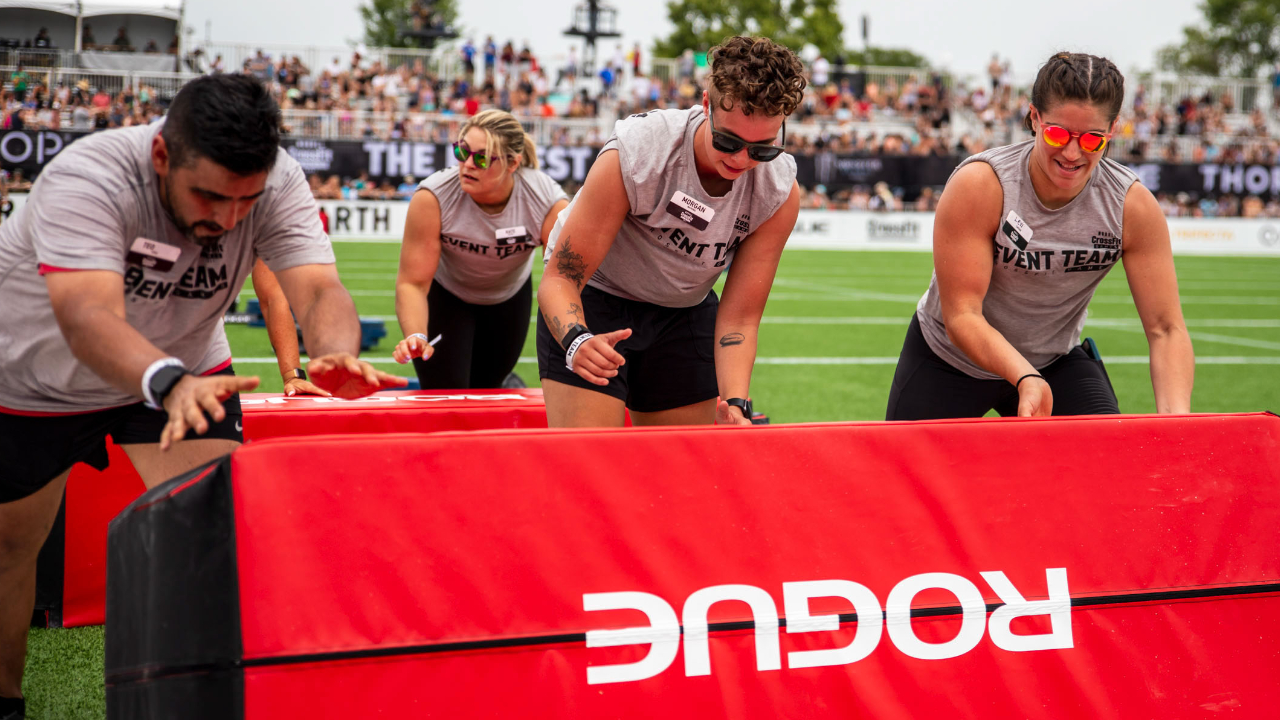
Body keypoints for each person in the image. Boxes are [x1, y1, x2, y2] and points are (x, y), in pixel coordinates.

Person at [0, 74, 404, 719]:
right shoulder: (89, 175)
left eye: (247, 200)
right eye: (209, 196)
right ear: (162, 156)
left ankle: (209, 702)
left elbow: (320, 290)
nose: (227, 218)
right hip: (36, 377)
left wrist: (336, 349)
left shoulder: (278, 180)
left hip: (186, 367)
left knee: (219, 537)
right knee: (10, 550)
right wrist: (165, 380)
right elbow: (87, 319)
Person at [885, 52, 1194, 421]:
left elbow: (1166, 329)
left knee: (1104, 465)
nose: (1072, 152)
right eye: (1058, 133)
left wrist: (1178, 424)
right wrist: (1024, 376)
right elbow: (962, 314)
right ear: (1034, 118)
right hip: (950, 359)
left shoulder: (1132, 207)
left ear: (1112, 131)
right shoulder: (982, 185)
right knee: (909, 475)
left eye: (1093, 139)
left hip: (1054, 361)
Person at [535, 35, 804, 428]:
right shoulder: (640, 151)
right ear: (707, 105)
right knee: (589, 470)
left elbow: (740, 317)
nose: (742, 159)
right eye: (728, 141)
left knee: (677, 477)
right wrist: (577, 339)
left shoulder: (779, 190)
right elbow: (560, 277)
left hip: (685, 313)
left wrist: (736, 403)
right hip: (597, 300)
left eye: (762, 149)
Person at [392, 109, 568, 388]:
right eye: (462, 152)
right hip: (447, 297)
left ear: (513, 164)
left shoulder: (546, 202)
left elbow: (566, 279)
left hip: (508, 301)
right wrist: (417, 335)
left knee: (487, 390)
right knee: (445, 398)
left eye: (482, 157)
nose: (468, 165)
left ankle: (508, 382)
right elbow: (412, 283)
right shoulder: (433, 197)